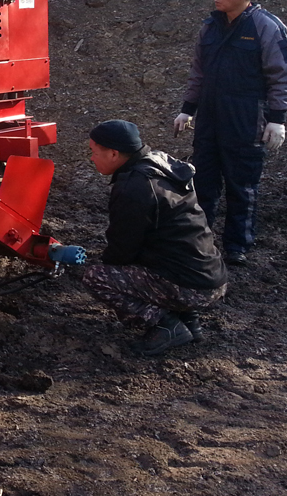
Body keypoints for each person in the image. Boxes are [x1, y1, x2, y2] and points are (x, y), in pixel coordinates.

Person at [173, 0, 287, 266]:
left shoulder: (266, 27)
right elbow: (198, 73)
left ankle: (237, 246)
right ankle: (201, 242)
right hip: (210, 117)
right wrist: (187, 110)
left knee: (242, 185)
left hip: (245, 117)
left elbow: (281, 76)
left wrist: (277, 119)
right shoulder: (210, 27)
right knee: (203, 183)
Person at [83, 120, 228, 356]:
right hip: (212, 275)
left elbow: (122, 248)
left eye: (94, 152)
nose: (92, 158)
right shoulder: (162, 165)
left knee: (97, 277)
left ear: (113, 153)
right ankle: (188, 319)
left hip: (191, 287)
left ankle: (165, 325)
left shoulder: (133, 187)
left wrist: (105, 261)